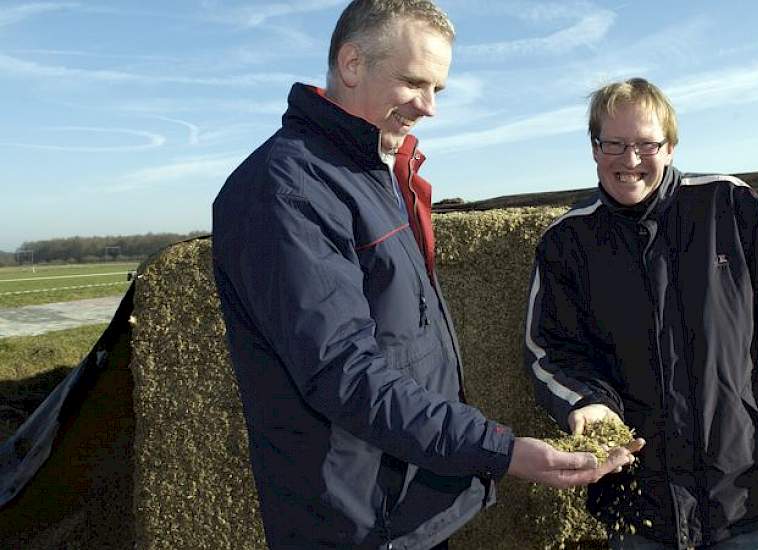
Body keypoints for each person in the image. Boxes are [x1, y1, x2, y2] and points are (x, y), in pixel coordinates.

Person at [211, 1, 642, 548]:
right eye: (414, 83)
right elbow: (344, 373)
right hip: (354, 520)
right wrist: (501, 450)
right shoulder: (287, 190)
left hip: (405, 502)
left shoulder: (372, 172)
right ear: (351, 64)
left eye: (438, 88)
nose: (429, 107)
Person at [523, 78, 758, 549]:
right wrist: (586, 402)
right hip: (636, 508)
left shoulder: (731, 207)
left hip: (742, 502)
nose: (630, 160)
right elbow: (549, 351)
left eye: (645, 144)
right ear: (594, 148)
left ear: (671, 146)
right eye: (614, 144)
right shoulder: (567, 241)